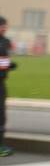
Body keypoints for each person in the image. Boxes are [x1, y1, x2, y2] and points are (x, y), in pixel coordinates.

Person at [0, 15, 16, 157]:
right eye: (2, 26)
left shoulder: (5, 41)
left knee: (2, 114)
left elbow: (4, 59)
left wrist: (8, 65)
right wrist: (7, 65)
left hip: (1, 81)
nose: (5, 28)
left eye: (5, 26)